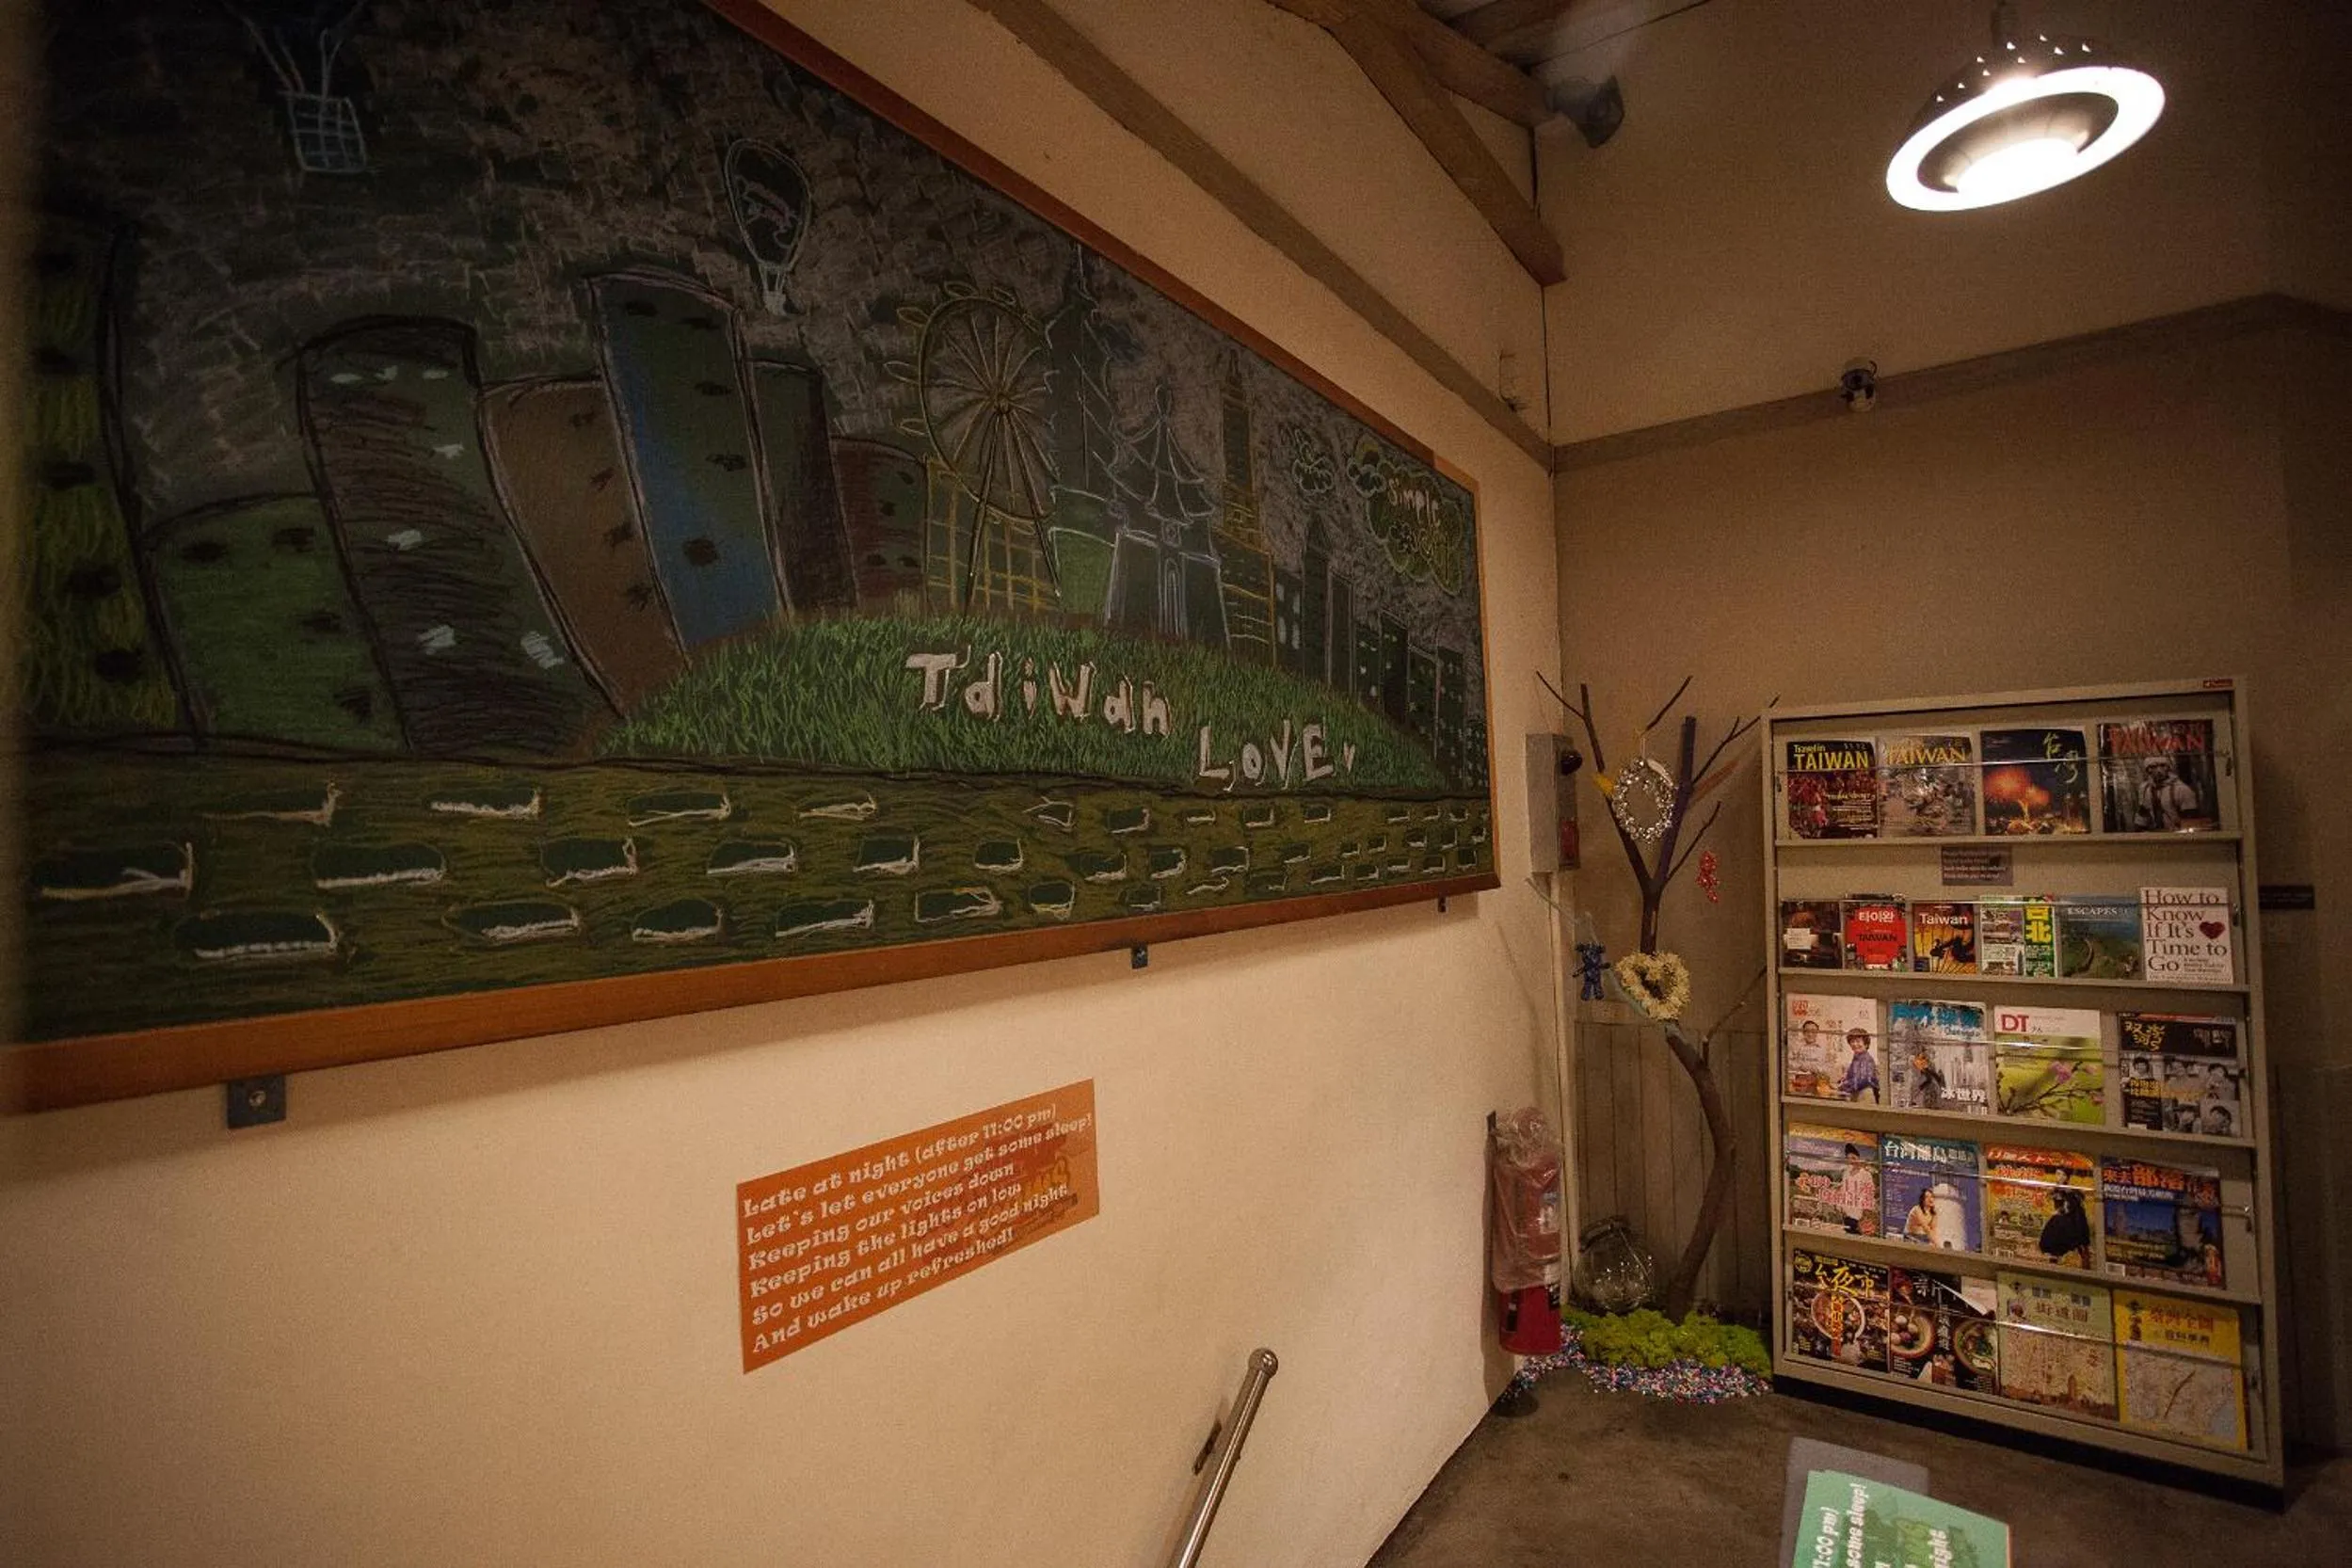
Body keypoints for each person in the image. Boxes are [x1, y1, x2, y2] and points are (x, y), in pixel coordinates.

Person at [2136, 754, 2201, 830]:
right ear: (2148, 770)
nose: (2159, 770)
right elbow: (2143, 815)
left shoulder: (2182, 789)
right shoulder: (2145, 789)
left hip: (2178, 834)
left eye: (2162, 766)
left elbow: (2191, 819)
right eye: (2153, 767)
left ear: (2168, 768)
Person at [1838, 1027, 1880, 1102]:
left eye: (1858, 1041)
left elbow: (1863, 1080)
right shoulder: (1856, 1058)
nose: (1855, 1044)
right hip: (1857, 1093)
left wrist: (1844, 1086)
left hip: (1865, 1094)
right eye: (1852, 1041)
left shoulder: (1866, 1059)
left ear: (1866, 1044)